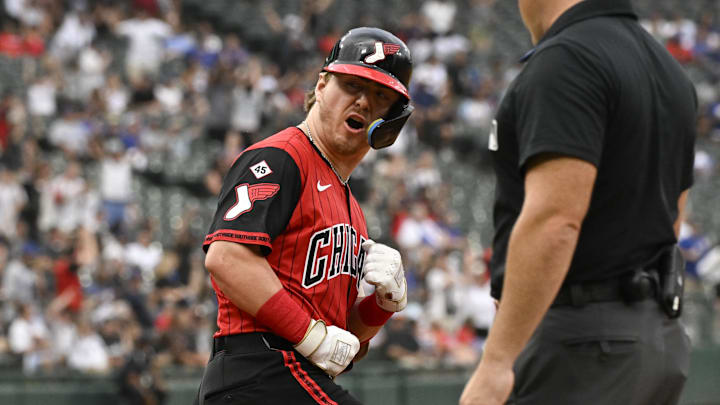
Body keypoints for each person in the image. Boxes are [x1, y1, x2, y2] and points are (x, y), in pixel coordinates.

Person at [460, 1, 696, 404]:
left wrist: (497, 363)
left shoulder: (567, 59)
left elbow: (556, 221)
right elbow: (674, 215)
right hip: (654, 338)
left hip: (582, 342)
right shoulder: (669, 69)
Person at [195, 27, 414, 405]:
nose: (363, 102)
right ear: (322, 86)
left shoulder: (351, 207)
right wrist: (311, 335)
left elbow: (343, 347)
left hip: (292, 378)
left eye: (380, 96)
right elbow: (226, 257)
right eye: (352, 86)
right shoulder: (281, 159)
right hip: (260, 372)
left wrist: (381, 306)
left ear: (392, 120)